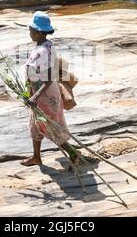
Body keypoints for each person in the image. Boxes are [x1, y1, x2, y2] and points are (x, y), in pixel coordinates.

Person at [21, 11, 81, 167]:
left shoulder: (43, 51)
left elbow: (49, 78)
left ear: (40, 32)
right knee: (35, 124)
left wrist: (35, 96)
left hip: (46, 97)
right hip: (39, 94)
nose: (30, 33)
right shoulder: (45, 45)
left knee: (51, 127)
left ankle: (73, 152)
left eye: (31, 30)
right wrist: (30, 93)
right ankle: (36, 157)